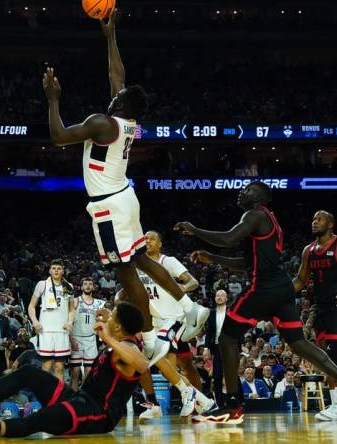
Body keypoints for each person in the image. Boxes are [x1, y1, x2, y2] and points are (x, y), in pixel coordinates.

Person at [41, 9, 208, 364]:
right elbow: (118, 75)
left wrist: (53, 98)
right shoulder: (127, 121)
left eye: (117, 94)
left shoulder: (102, 122)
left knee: (124, 269)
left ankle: (149, 336)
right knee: (143, 262)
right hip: (125, 198)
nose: (113, 92)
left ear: (118, 103)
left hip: (107, 206)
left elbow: (57, 137)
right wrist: (110, 35)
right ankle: (190, 306)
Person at [175, 182, 337, 425]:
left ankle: (232, 406)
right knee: (299, 344)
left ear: (259, 196)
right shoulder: (269, 221)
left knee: (227, 335)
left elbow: (228, 239)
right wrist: (211, 258)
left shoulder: (254, 214)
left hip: (264, 288)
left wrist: (195, 230)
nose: (241, 192)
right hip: (281, 289)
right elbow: (249, 263)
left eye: (247, 189)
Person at [0, 302, 148, 439]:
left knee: (39, 419)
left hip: (98, 415)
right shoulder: (124, 338)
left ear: (119, 326)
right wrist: (110, 320)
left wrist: (109, 338)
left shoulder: (129, 348)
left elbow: (142, 364)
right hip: (79, 398)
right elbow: (131, 315)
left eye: (113, 316)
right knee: (29, 372)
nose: (109, 316)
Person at [293, 210, 337, 421]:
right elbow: (300, 280)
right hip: (320, 306)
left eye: (320, 219)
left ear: (330, 224)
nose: (315, 222)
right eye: (313, 219)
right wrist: (281, 294)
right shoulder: (309, 250)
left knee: (334, 353)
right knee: (324, 357)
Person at [135, 230, 211, 420]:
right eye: (145, 239)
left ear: (160, 243)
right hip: (154, 321)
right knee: (147, 364)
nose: (148, 241)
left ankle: (188, 394)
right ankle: (199, 400)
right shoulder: (139, 265)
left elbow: (192, 282)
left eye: (152, 238)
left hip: (174, 318)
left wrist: (180, 288)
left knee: (158, 356)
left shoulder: (167, 262)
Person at [29, 260, 75, 380]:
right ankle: (45, 396)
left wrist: (70, 322)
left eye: (59, 268)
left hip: (61, 330)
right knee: (46, 366)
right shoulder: (42, 284)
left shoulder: (68, 286)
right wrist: (35, 322)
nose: (56, 270)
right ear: (49, 270)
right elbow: (31, 306)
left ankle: (59, 396)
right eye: (53, 268)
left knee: (60, 367)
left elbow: (71, 309)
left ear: (63, 271)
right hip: (46, 330)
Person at [69, 277, 106, 391]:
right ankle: (73, 397)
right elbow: (67, 321)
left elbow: (103, 322)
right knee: (75, 372)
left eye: (90, 284)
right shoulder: (75, 301)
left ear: (94, 287)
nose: (88, 286)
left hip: (91, 339)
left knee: (89, 372)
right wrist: (71, 339)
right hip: (76, 338)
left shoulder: (100, 304)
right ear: (81, 287)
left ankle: (85, 397)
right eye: (85, 284)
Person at [205, 290, 229, 405]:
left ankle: (236, 402)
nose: (219, 297)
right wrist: (206, 347)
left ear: (226, 299)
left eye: (222, 295)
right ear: (215, 298)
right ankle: (219, 403)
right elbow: (209, 331)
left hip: (230, 346)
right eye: (217, 295)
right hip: (217, 346)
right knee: (217, 375)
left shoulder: (231, 312)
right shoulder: (212, 313)